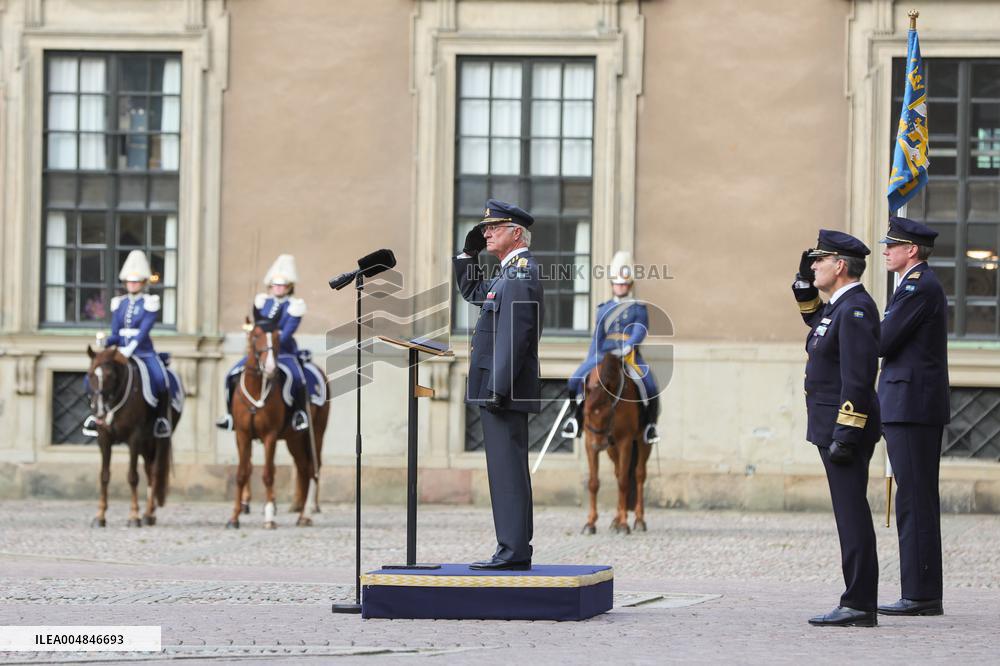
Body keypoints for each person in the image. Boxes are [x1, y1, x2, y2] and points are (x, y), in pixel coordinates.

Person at [793, 230, 881, 628]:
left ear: (840, 265)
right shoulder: (838, 307)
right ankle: (857, 600)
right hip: (831, 428)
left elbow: (858, 379)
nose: (814, 266)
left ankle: (859, 603)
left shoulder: (856, 309)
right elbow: (815, 322)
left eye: (820, 260)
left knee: (852, 515)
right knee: (848, 514)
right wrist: (802, 282)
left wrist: (846, 432)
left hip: (844, 430)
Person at [454, 198, 544, 571]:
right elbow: (476, 294)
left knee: (507, 472)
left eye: (494, 228)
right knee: (505, 470)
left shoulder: (520, 273)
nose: (486, 233)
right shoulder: (508, 273)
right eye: (485, 229)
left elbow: (516, 334)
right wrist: (467, 256)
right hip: (498, 386)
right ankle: (514, 548)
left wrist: (498, 387)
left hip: (503, 389)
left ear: (516, 233)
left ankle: (512, 551)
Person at [877, 215, 949, 617]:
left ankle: (920, 595)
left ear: (912, 250)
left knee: (915, 500)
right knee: (913, 498)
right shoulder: (912, 284)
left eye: (892, 245)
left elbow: (884, 340)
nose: (886, 251)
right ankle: (921, 592)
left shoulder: (917, 287)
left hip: (912, 405)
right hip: (908, 403)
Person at [561, 250, 660, 444]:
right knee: (574, 381)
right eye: (617, 283)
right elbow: (597, 337)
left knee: (650, 385)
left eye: (624, 284)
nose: (620, 286)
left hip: (628, 355)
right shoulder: (604, 308)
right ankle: (575, 419)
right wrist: (591, 358)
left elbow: (639, 330)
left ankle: (650, 426)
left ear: (630, 285)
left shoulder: (638, 308)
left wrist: (628, 346)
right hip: (603, 354)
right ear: (612, 284)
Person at [216, 254, 315, 432]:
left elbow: (287, 333)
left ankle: (299, 414)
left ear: (289, 287)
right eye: (275, 285)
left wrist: (271, 342)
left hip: (283, 352)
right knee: (231, 374)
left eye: (282, 285)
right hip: (259, 353)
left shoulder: (295, 305)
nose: (278, 288)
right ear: (270, 286)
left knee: (297, 378)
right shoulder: (262, 302)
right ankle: (230, 415)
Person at [86, 250, 176, 438]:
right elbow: (116, 333)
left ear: (143, 283)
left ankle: (161, 420)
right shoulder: (119, 303)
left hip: (143, 351)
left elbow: (144, 331)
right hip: (119, 352)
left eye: (136, 281)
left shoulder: (149, 302)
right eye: (129, 281)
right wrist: (105, 341)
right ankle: (94, 415)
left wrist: (131, 347)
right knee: (92, 376)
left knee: (161, 379)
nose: (132, 284)